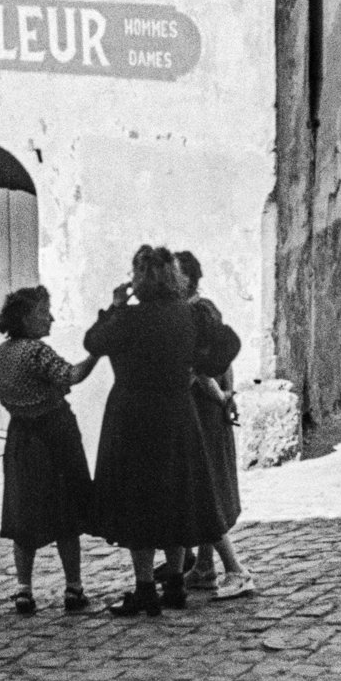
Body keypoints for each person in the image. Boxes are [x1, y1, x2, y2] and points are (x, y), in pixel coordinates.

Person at [85, 244, 226, 616]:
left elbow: (93, 342)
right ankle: (176, 584)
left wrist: (116, 305)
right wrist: (199, 367)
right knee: (176, 495)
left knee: (139, 500)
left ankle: (146, 587)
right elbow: (227, 344)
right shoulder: (187, 316)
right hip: (177, 411)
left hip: (133, 414)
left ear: (139, 278)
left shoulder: (128, 319)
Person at [0, 284, 98, 616]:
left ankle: (24, 588)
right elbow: (72, 375)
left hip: (20, 437)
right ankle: (73, 587)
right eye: (44, 312)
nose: (50, 317)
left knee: (23, 511)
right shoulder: (36, 352)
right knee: (66, 511)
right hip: (54, 434)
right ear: (27, 318)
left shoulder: (3, 353)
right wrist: (97, 353)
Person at [173, 250, 250, 596]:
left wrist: (222, 397)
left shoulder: (193, 312)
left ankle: (235, 570)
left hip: (201, 408)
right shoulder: (205, 308)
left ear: (189, 277)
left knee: (203, 486)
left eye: (174, 274)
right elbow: (224, 358)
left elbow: (199, 371)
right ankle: (204, 566)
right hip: (210, 404)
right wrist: (229, 393)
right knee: (208, 483)